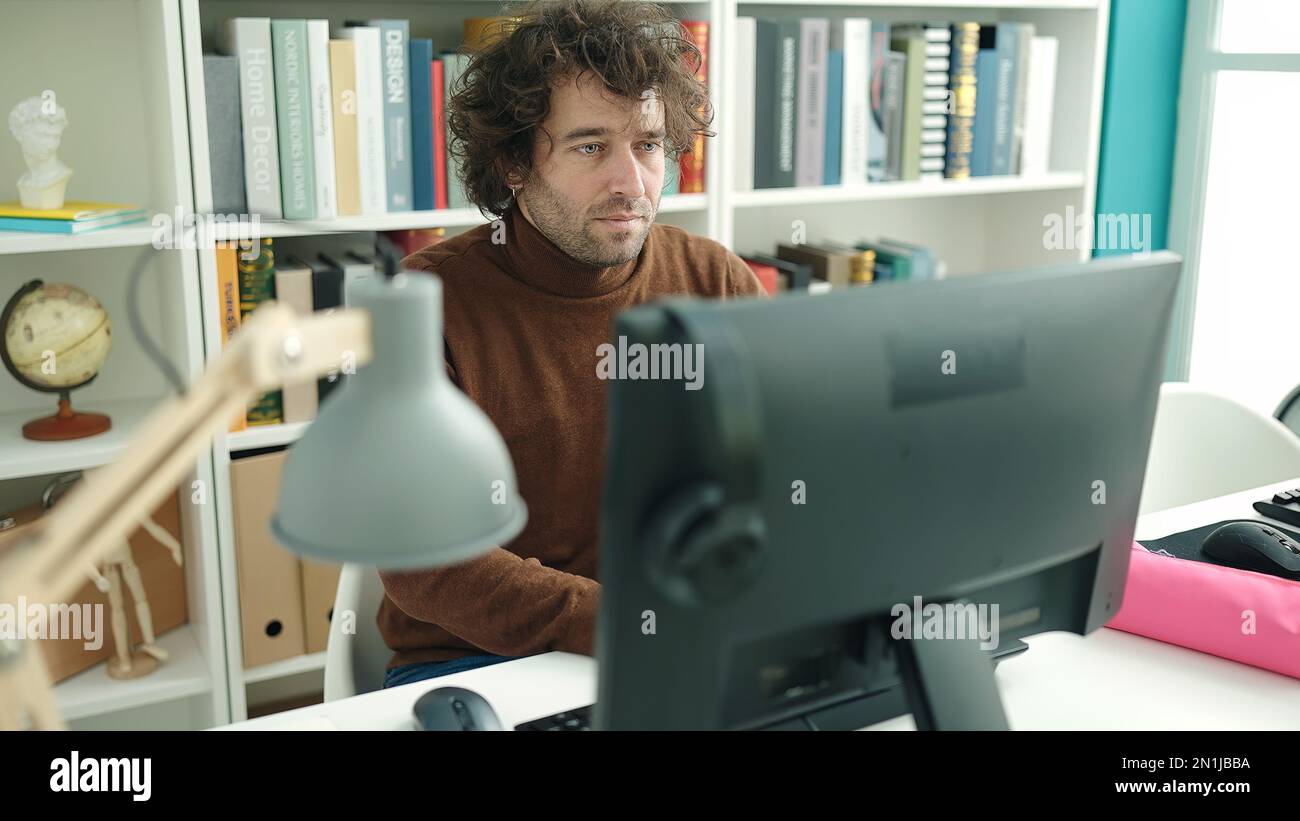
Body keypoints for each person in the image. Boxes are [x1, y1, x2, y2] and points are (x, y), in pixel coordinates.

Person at [378, 0, 765, 688]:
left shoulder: (714, 279)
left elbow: (793, 471)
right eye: (590, 146)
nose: (631, 183)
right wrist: (623, 620)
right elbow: (423, 560)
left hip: (681, 638)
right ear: (515, 163)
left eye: (647, 144)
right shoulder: (425, 302)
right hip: (480, 660)